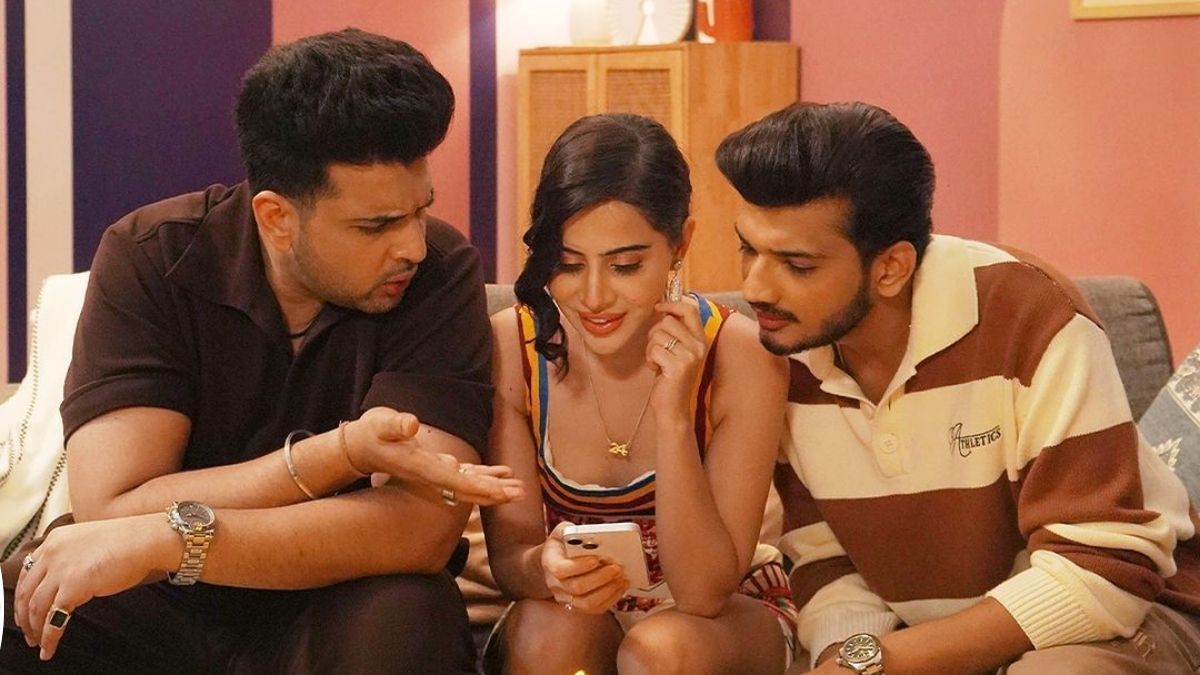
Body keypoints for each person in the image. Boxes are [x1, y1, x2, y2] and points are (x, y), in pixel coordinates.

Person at [1, 28, 524, 674]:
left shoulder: (440, 273)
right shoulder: (151, 255)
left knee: (409, 615)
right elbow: (113, 506)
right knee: (43, 601)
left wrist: (175, 535)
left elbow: (417, 530)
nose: (413, 246)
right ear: (276, 217)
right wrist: (336, 454)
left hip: (339, 596)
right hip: (157, 598)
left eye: (420, 212)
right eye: (377, 226)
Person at [715, 100, 1200, 674]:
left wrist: (882, 664)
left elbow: (1105, 570)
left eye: (797, 265)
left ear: (891, 268)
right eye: (748, 248)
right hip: (926, 644)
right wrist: (848, 659)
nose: (756, 288)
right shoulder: (782, 347)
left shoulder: (1031, 314)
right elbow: (826, 560)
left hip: (1133, 613)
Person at [482, 113, 798, 675]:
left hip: (717, 620)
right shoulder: (513, 347)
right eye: (567, 264)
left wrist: (674, 418)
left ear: (680, 244)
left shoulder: (742, 355)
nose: (594, 297)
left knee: (658, 654)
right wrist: (545, 567)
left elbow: (704, 592)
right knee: (547, 638)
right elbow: (510, 561)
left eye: (625, 266)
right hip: (577, 610)